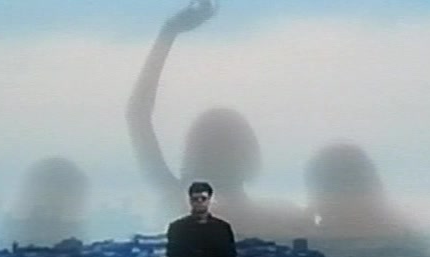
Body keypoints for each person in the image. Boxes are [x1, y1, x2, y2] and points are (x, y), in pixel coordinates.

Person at [126, 0, 308, 240]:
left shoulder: (178, 204)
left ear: (193, 153)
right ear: (250, 153)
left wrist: (168, 33)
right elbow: (137, 117)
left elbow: (138, 116)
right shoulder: (285, 217)